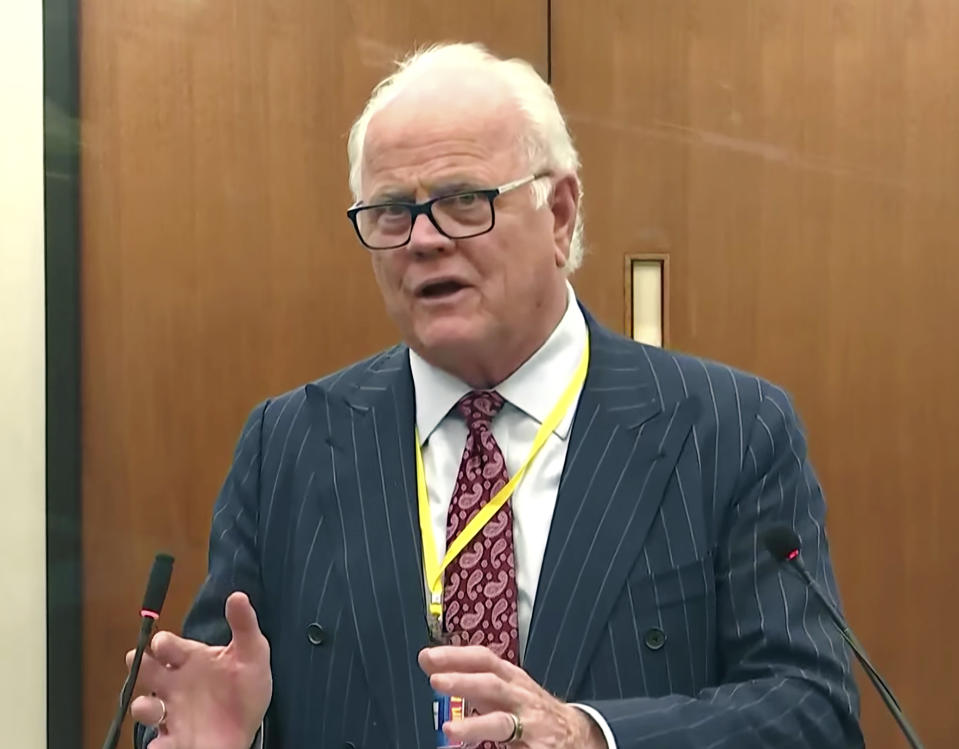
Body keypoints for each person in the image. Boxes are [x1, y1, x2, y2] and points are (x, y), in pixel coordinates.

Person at [130, 42, 863, 749]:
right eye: (391, 211)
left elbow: (809, 710)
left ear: (560, 213)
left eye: (461, 199)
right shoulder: (286, 443)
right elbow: (199, 699)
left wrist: (592, 735)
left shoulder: (730, 429)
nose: (423, 240)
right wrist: (235, 734)